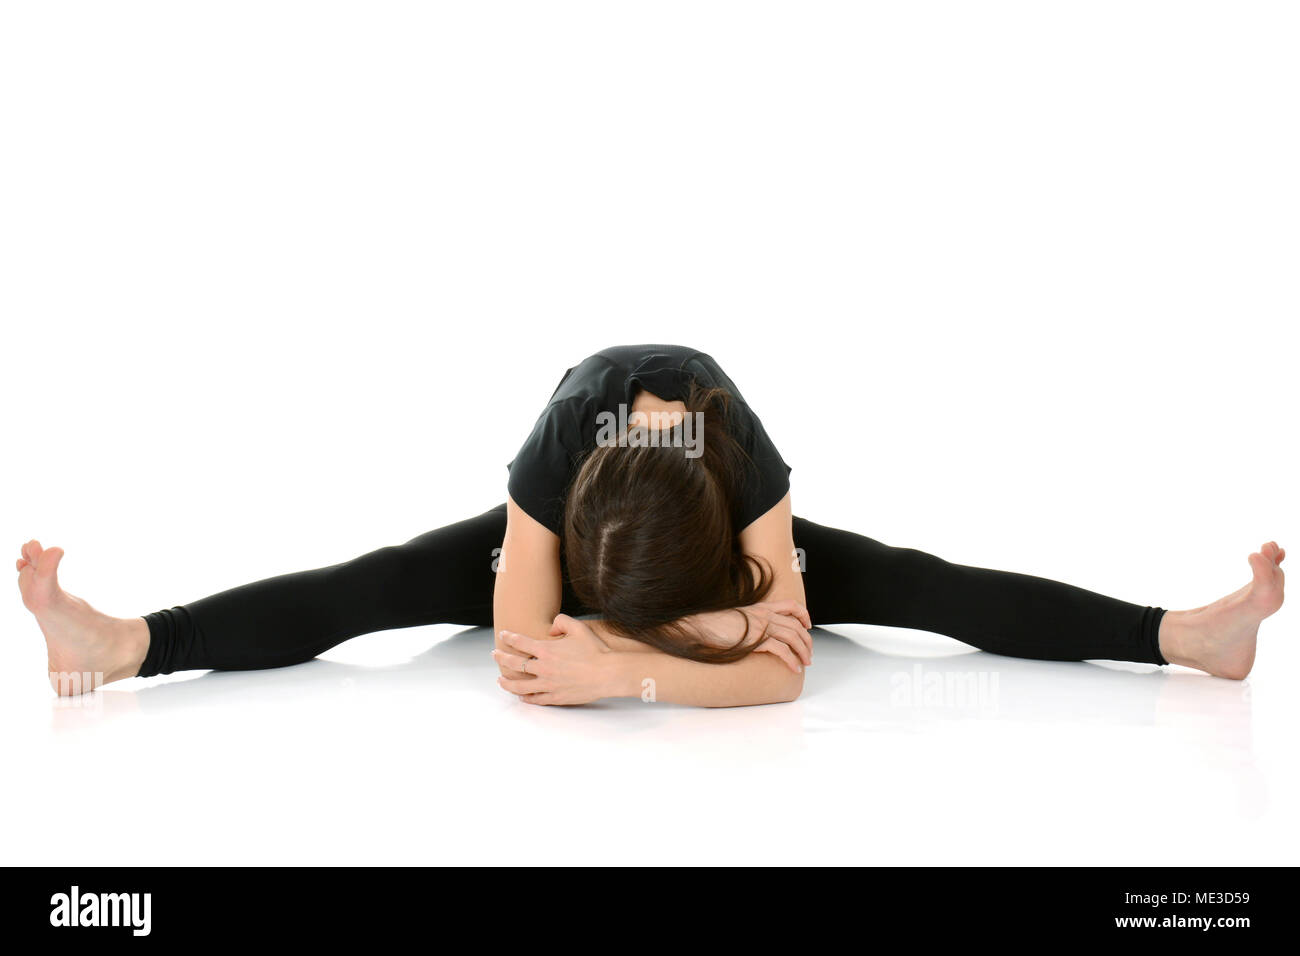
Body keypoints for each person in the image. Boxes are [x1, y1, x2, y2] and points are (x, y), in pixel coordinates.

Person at [17, 344, 1286, 707]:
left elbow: (782, 671)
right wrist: (704, 638)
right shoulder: (557, 446)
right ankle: (127, 640)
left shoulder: (742, 458)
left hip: (694, 542)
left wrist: (631, 664)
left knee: (917, 581)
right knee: (383, 581)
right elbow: (524, 651)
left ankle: (1186, 634)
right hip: (598, 520)